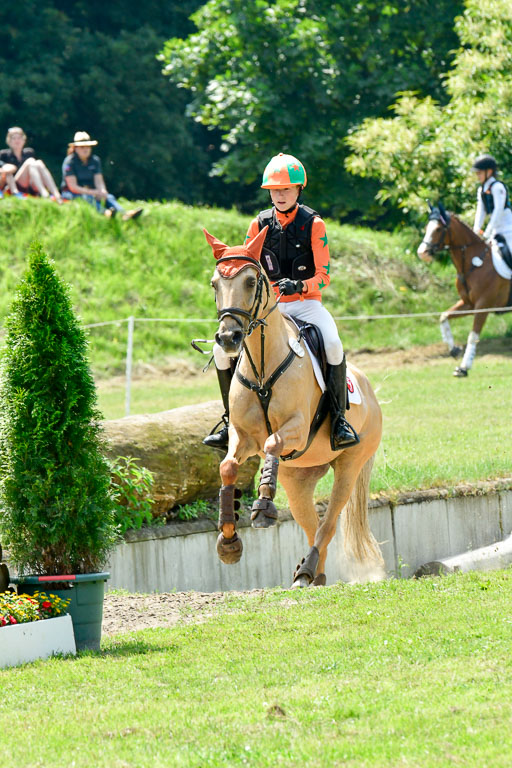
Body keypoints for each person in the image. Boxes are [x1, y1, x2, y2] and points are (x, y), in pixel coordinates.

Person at [204, 151, 359, 452]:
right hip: (266, 308)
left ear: (299, 189)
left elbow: (324, 275)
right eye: (275, 190)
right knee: (220, 352)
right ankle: (228, 422)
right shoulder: (258, 224)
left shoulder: (314, 224)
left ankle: (339, 419)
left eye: (286, 189)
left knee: (333, 343)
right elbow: (248, 267)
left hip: (306, 303)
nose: (280, 195)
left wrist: (300, 284)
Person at [61, 132, 143, 220]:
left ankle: (124, 214)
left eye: (88, 147)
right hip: (72, 193)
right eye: (82, 147)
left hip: (91, 191)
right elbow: (73, 187)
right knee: (88, 198)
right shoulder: (70, 162)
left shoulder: (95, 160)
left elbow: (99, 181)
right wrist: (93, 192)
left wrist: (102, 192)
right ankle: (106, 213)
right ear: (76, 149)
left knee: (109, 197)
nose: (85, 149)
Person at [0, 126, 62, 201]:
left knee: (38, 163)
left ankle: (56, 194)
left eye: (19, 138)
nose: (17, 141)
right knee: (30, 162)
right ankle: (44, 194)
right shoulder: (3, 154)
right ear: (9, 141)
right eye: (14, 138)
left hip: (28, 184)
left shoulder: (29, 152)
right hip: (12, 186)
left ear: (24, 140)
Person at [472, 153, 512, 257]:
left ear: (489, 172)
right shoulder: (481, 190)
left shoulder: (497, 187)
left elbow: (498, 211)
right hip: (495, 231)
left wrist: (487, 232)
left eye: (479, 173)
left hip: (508, 230)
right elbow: (480, 211)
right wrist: (475, 230)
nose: (478, 176)